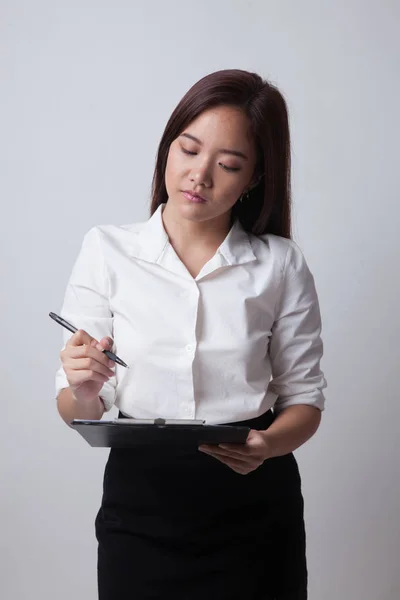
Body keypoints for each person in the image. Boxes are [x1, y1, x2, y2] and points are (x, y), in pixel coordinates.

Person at [55, 68, 327, 600]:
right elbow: (74, 408)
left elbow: (306, 401)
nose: (199, 176)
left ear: (253, 179)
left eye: (228, 165)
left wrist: (268, 444)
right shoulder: (107, 249)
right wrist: (85, 389)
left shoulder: (280, 264)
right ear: (167, 148)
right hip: (141, 506)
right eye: (188, 150)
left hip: (253, 504)